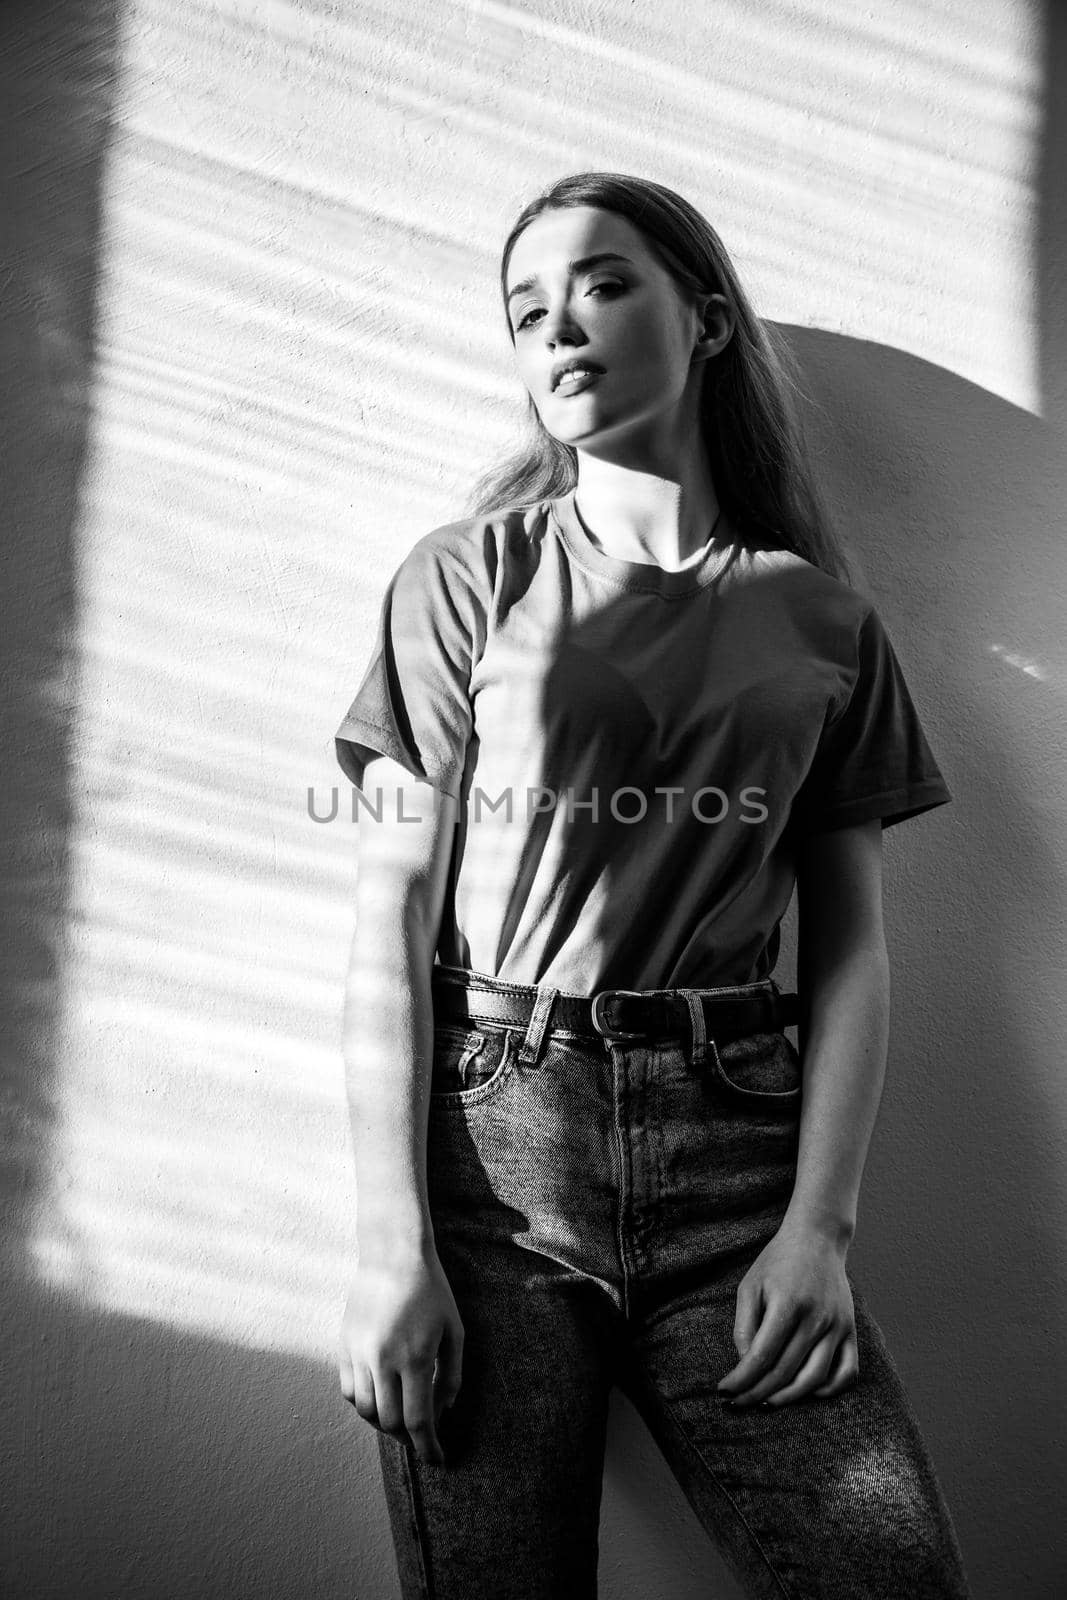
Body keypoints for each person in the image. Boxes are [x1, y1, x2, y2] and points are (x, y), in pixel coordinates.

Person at [334, 171, 972, 1600]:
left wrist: (821, 1229)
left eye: (603, 284)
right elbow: (386, 917)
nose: (558, 327)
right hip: (500, 1160)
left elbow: (854, 949)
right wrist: (393, 1248)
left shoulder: (821, 615)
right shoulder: (464, 579)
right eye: (525, 310)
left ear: (709, 319)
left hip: (740, 1162)